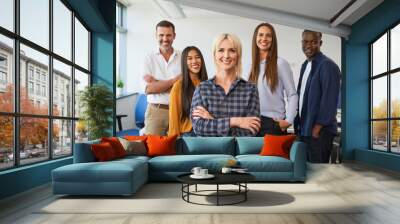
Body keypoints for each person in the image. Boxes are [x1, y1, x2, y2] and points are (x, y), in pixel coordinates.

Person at [191, 33, 260, 136]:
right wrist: (235, 121)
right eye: (221, 50)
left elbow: (250, 132)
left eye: (232, 50)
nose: (226, 55)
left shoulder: (251, 89)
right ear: (215, 55)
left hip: (238, 152)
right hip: (209, 151)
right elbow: (199, 128)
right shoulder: (202, 89)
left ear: (238, 55)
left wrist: (212, 120)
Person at [294, 30, 340, 163]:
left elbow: (330, 100)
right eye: (306, 42)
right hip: (305, 130)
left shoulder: (327, 65)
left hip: (319, 133)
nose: (309, 45)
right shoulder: (305, 65)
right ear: (302, 43)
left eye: (314, 42)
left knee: (318, 174)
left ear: (320, 43)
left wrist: (317, 128)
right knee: (307, 172)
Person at [245, 23, 298, 136]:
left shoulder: (281, 64)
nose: (264, 38)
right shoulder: (249, 66)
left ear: (273, 39)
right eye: (261, 35)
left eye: (268, 35)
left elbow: (292, 94)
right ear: (255, 38)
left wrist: (289, 120)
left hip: (272, 124)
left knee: (271, 155)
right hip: (252, 123)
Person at [142, 20, 182, 135]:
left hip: (178, 111)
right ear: (156, 35)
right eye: (161, 35)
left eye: (168, 35)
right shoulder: (148, 58)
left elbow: (185, 87)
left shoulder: (183, 56)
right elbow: (149, 89)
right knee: (153, 149)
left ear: (174, 36)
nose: (165, 38)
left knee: (177, 148)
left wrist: (158, 83)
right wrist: (175, 81)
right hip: (155, 112)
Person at [168, 46, 208, 136]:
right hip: (189, 133)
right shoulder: (179, 86)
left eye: (197, 57)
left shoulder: (207, 84)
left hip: (206, 132)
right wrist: (174, 142)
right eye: (189, 58)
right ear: (184, 63)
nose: (194, 61)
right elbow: (174, 116)